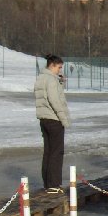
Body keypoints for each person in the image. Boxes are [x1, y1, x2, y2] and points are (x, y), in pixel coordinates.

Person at [33, 54, 70, 194]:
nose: (60, 71)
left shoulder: (41, 78)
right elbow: (55, 100)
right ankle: (54, 184)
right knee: (56, 151)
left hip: (44, 119)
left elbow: (44, 96)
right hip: (54, 119)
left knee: (48, 151)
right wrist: (63, 118)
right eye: (59, 68)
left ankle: (48, 184)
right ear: (52, 65)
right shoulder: (51, 80)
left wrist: (60, 82)